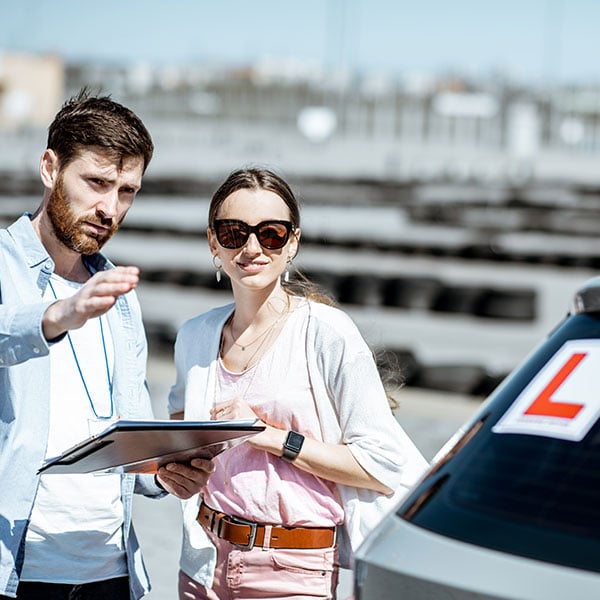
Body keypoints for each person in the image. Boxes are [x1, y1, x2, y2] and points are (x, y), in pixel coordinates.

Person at [168, 167, 429, 599]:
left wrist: (268, 436)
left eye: (270, 233)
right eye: (234, 232)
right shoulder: (194, 336)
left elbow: (382, 465)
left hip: (293, 569)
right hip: (201, 560)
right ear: (213, 242)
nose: (251, 247)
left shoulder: (328, 333)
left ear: (293, 243)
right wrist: (174, 471)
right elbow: (180, 432)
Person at [0, 90, 213, 600]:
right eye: (96, 182)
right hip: (17, 571)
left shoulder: (118, 296)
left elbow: (123, 439)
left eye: (126, 191)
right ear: (50, 167)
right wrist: (58, 315)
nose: (109, 208)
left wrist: (166, 473)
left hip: (112, 572)